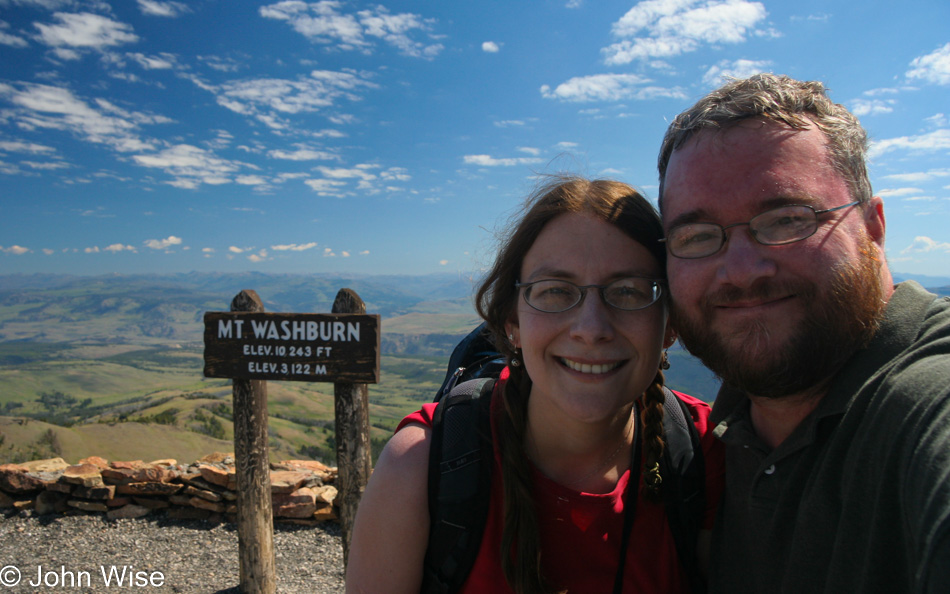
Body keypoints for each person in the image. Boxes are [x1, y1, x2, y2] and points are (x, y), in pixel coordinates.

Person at [345, 177, 724, 593]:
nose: (592, 328)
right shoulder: (419, 467)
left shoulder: (708, 455)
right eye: (556, 292)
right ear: (513, 325)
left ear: (669, 324)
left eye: (629, 292)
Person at [656, 73, 950, 593]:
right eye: (698, 236)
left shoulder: (926, 402)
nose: (741, 270)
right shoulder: (713, 439)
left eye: (787, 219)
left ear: (874, 226)